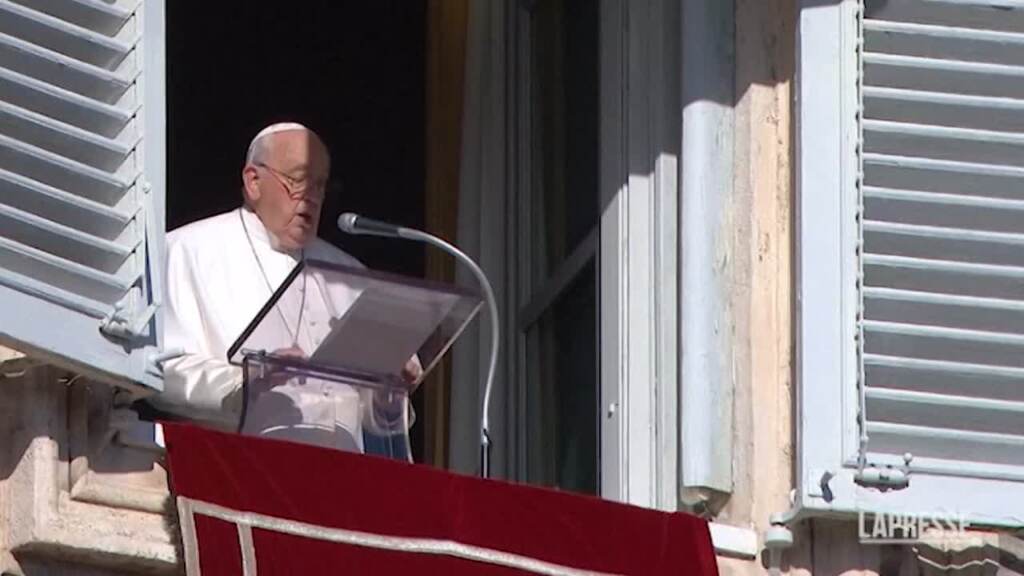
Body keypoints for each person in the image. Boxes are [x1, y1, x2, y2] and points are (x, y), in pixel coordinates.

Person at [151, 122, 417, 453]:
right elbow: (160, 370)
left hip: (341, 468)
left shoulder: (349, 274)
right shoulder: (188, 250)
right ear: (253, 181)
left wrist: (386, 393)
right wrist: (247, 384)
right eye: (297, 181)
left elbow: (370, 414)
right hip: (233, 461)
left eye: (319, 185)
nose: (311, 197)